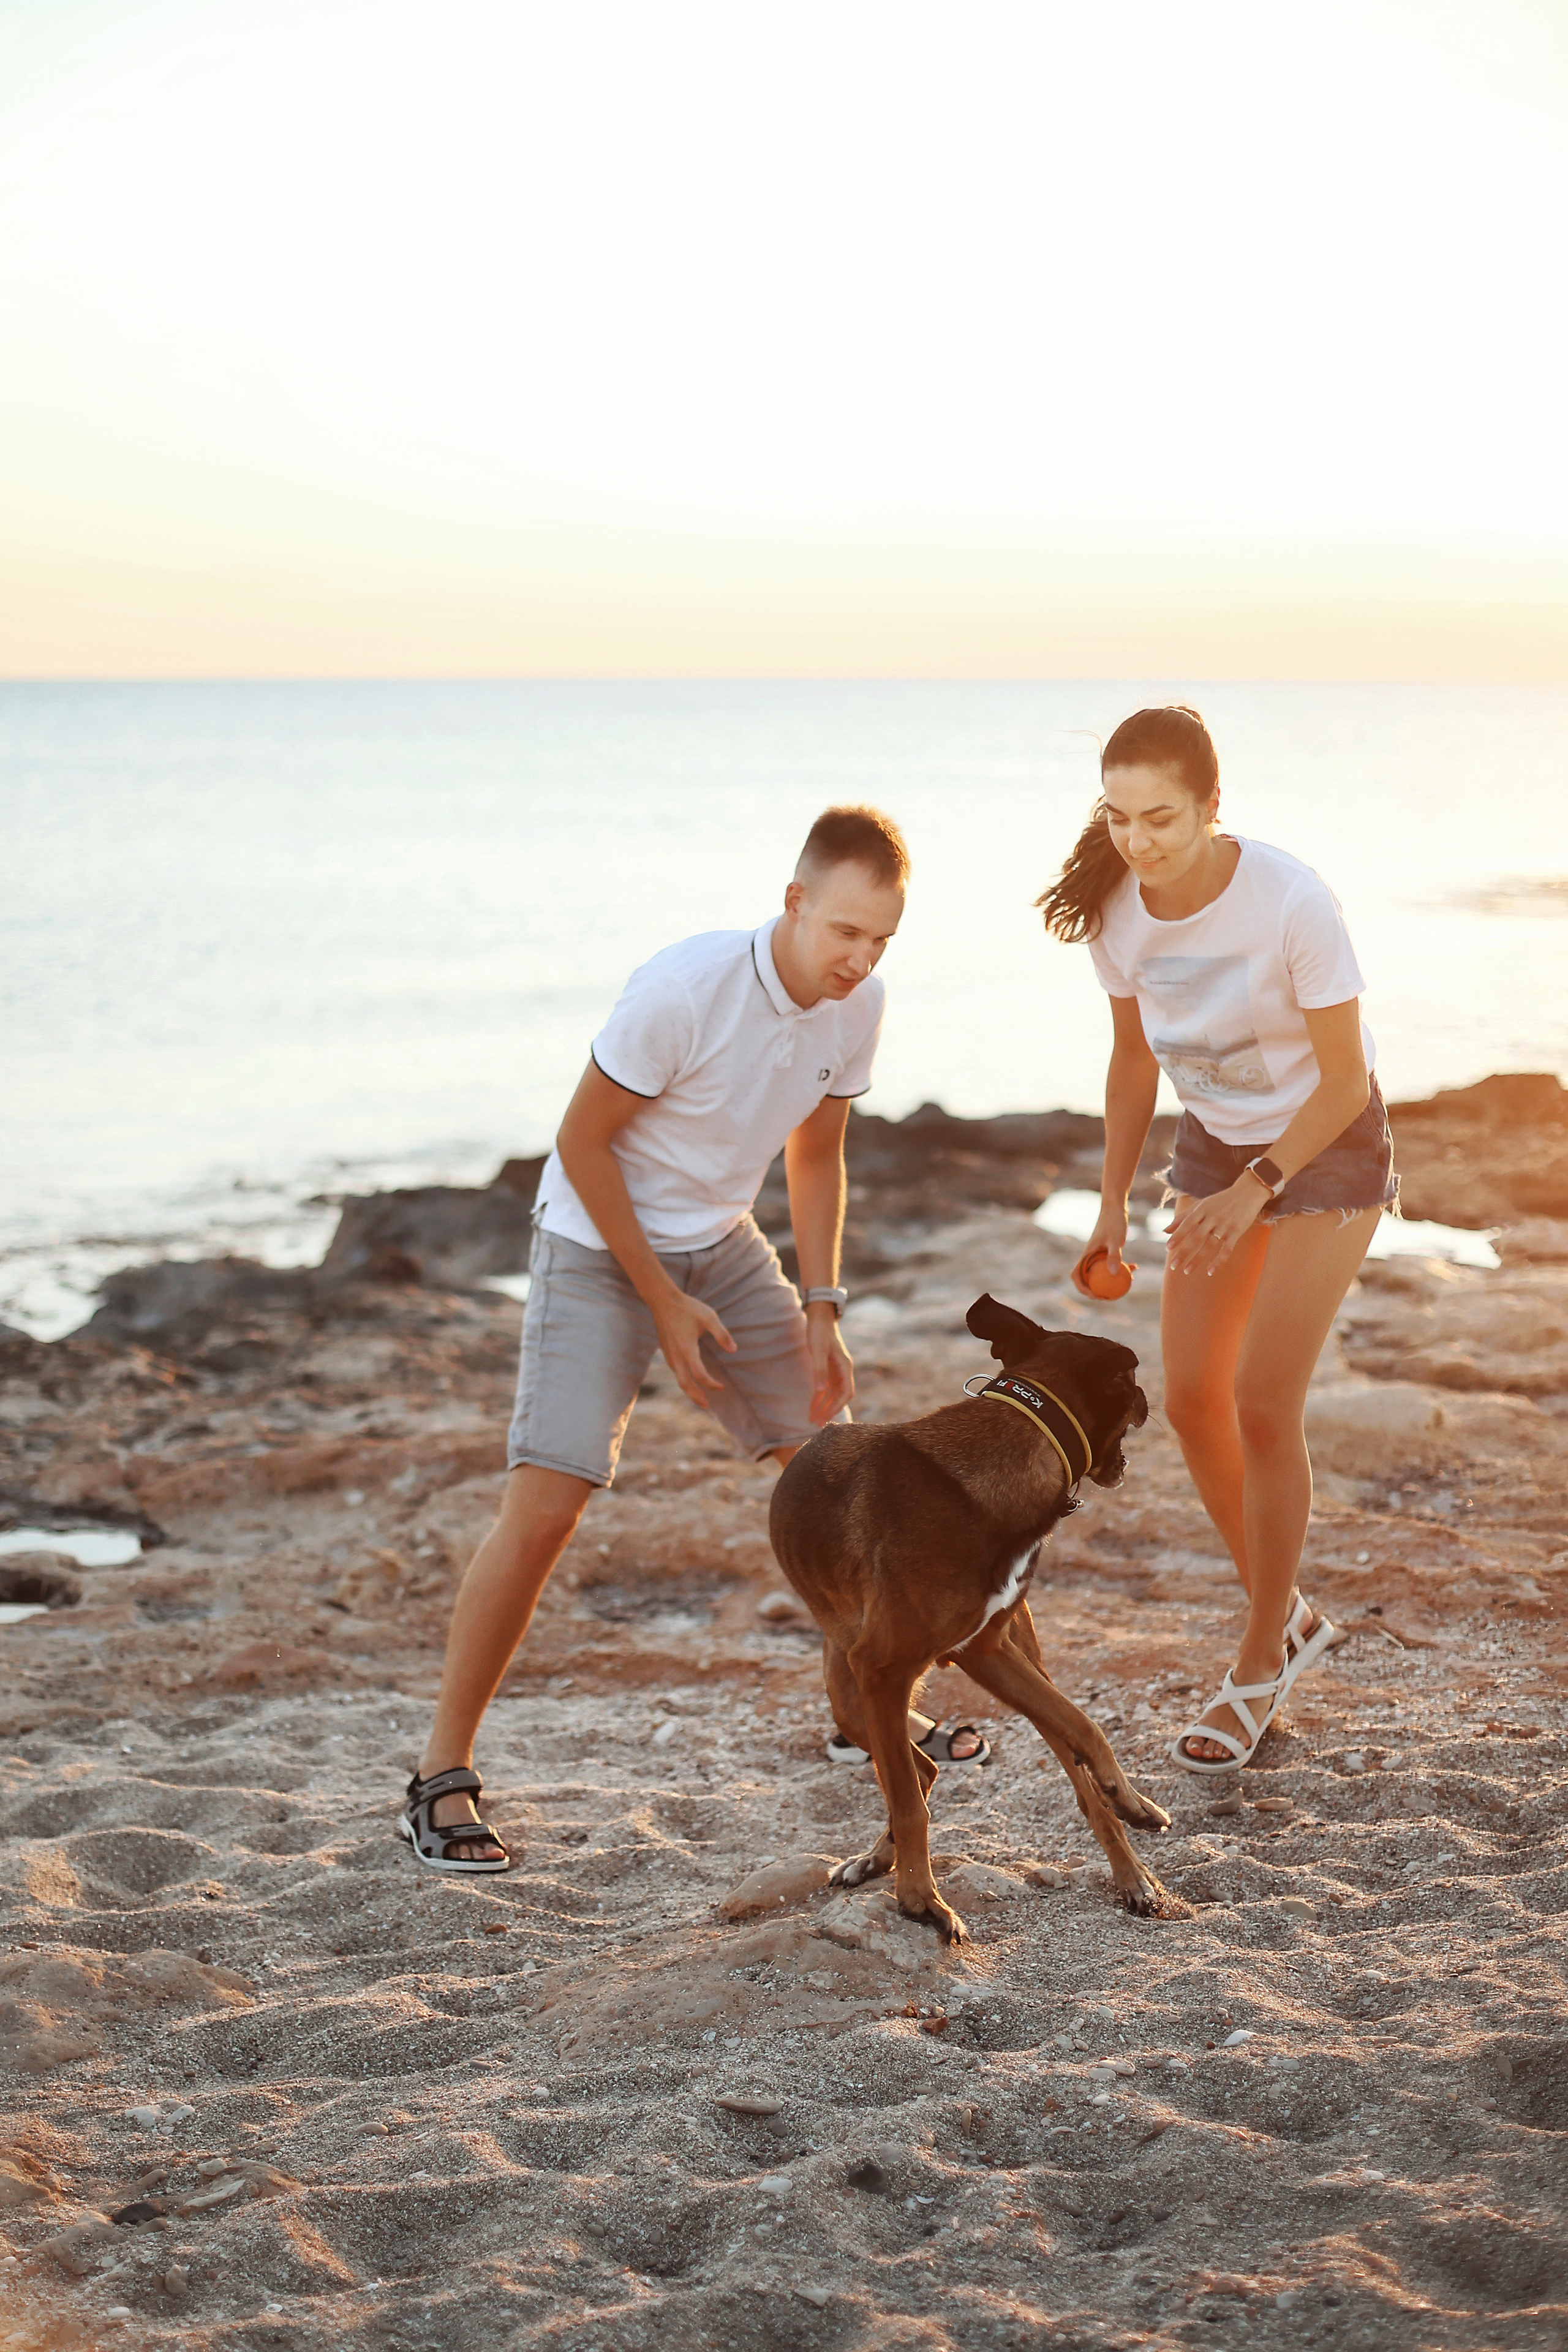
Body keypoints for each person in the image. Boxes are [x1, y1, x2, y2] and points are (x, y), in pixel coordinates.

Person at [399, 804, 977, 1874]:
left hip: (722, 1241)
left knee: (840, 1479)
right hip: (592, 1247)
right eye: (844, 930)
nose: (859, 958)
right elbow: (579, 1141)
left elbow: (817, 1156)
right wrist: (661, 1300)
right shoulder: (685, 992)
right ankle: (439, 1780)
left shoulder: (860, 1006)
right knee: (547, 1507)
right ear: (794, 900)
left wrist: (820, 1307)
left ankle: (867, 1715)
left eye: (881, 940)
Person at [1037, 706, 1398, 1774]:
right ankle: (1289, 1619)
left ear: (1211, 807)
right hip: (1212, 1149)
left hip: (1324, 1153)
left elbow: (1341, 1083)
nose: (1138, 841)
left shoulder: (1290, 900)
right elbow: (1134, 1064)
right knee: (1189, 1399)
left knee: (1260, 1404)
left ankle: (1258, 1661)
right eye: (1119, 818)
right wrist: (1111, 1202)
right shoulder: (1114, 907)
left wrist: (1258, 1186)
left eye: (1161, 819)